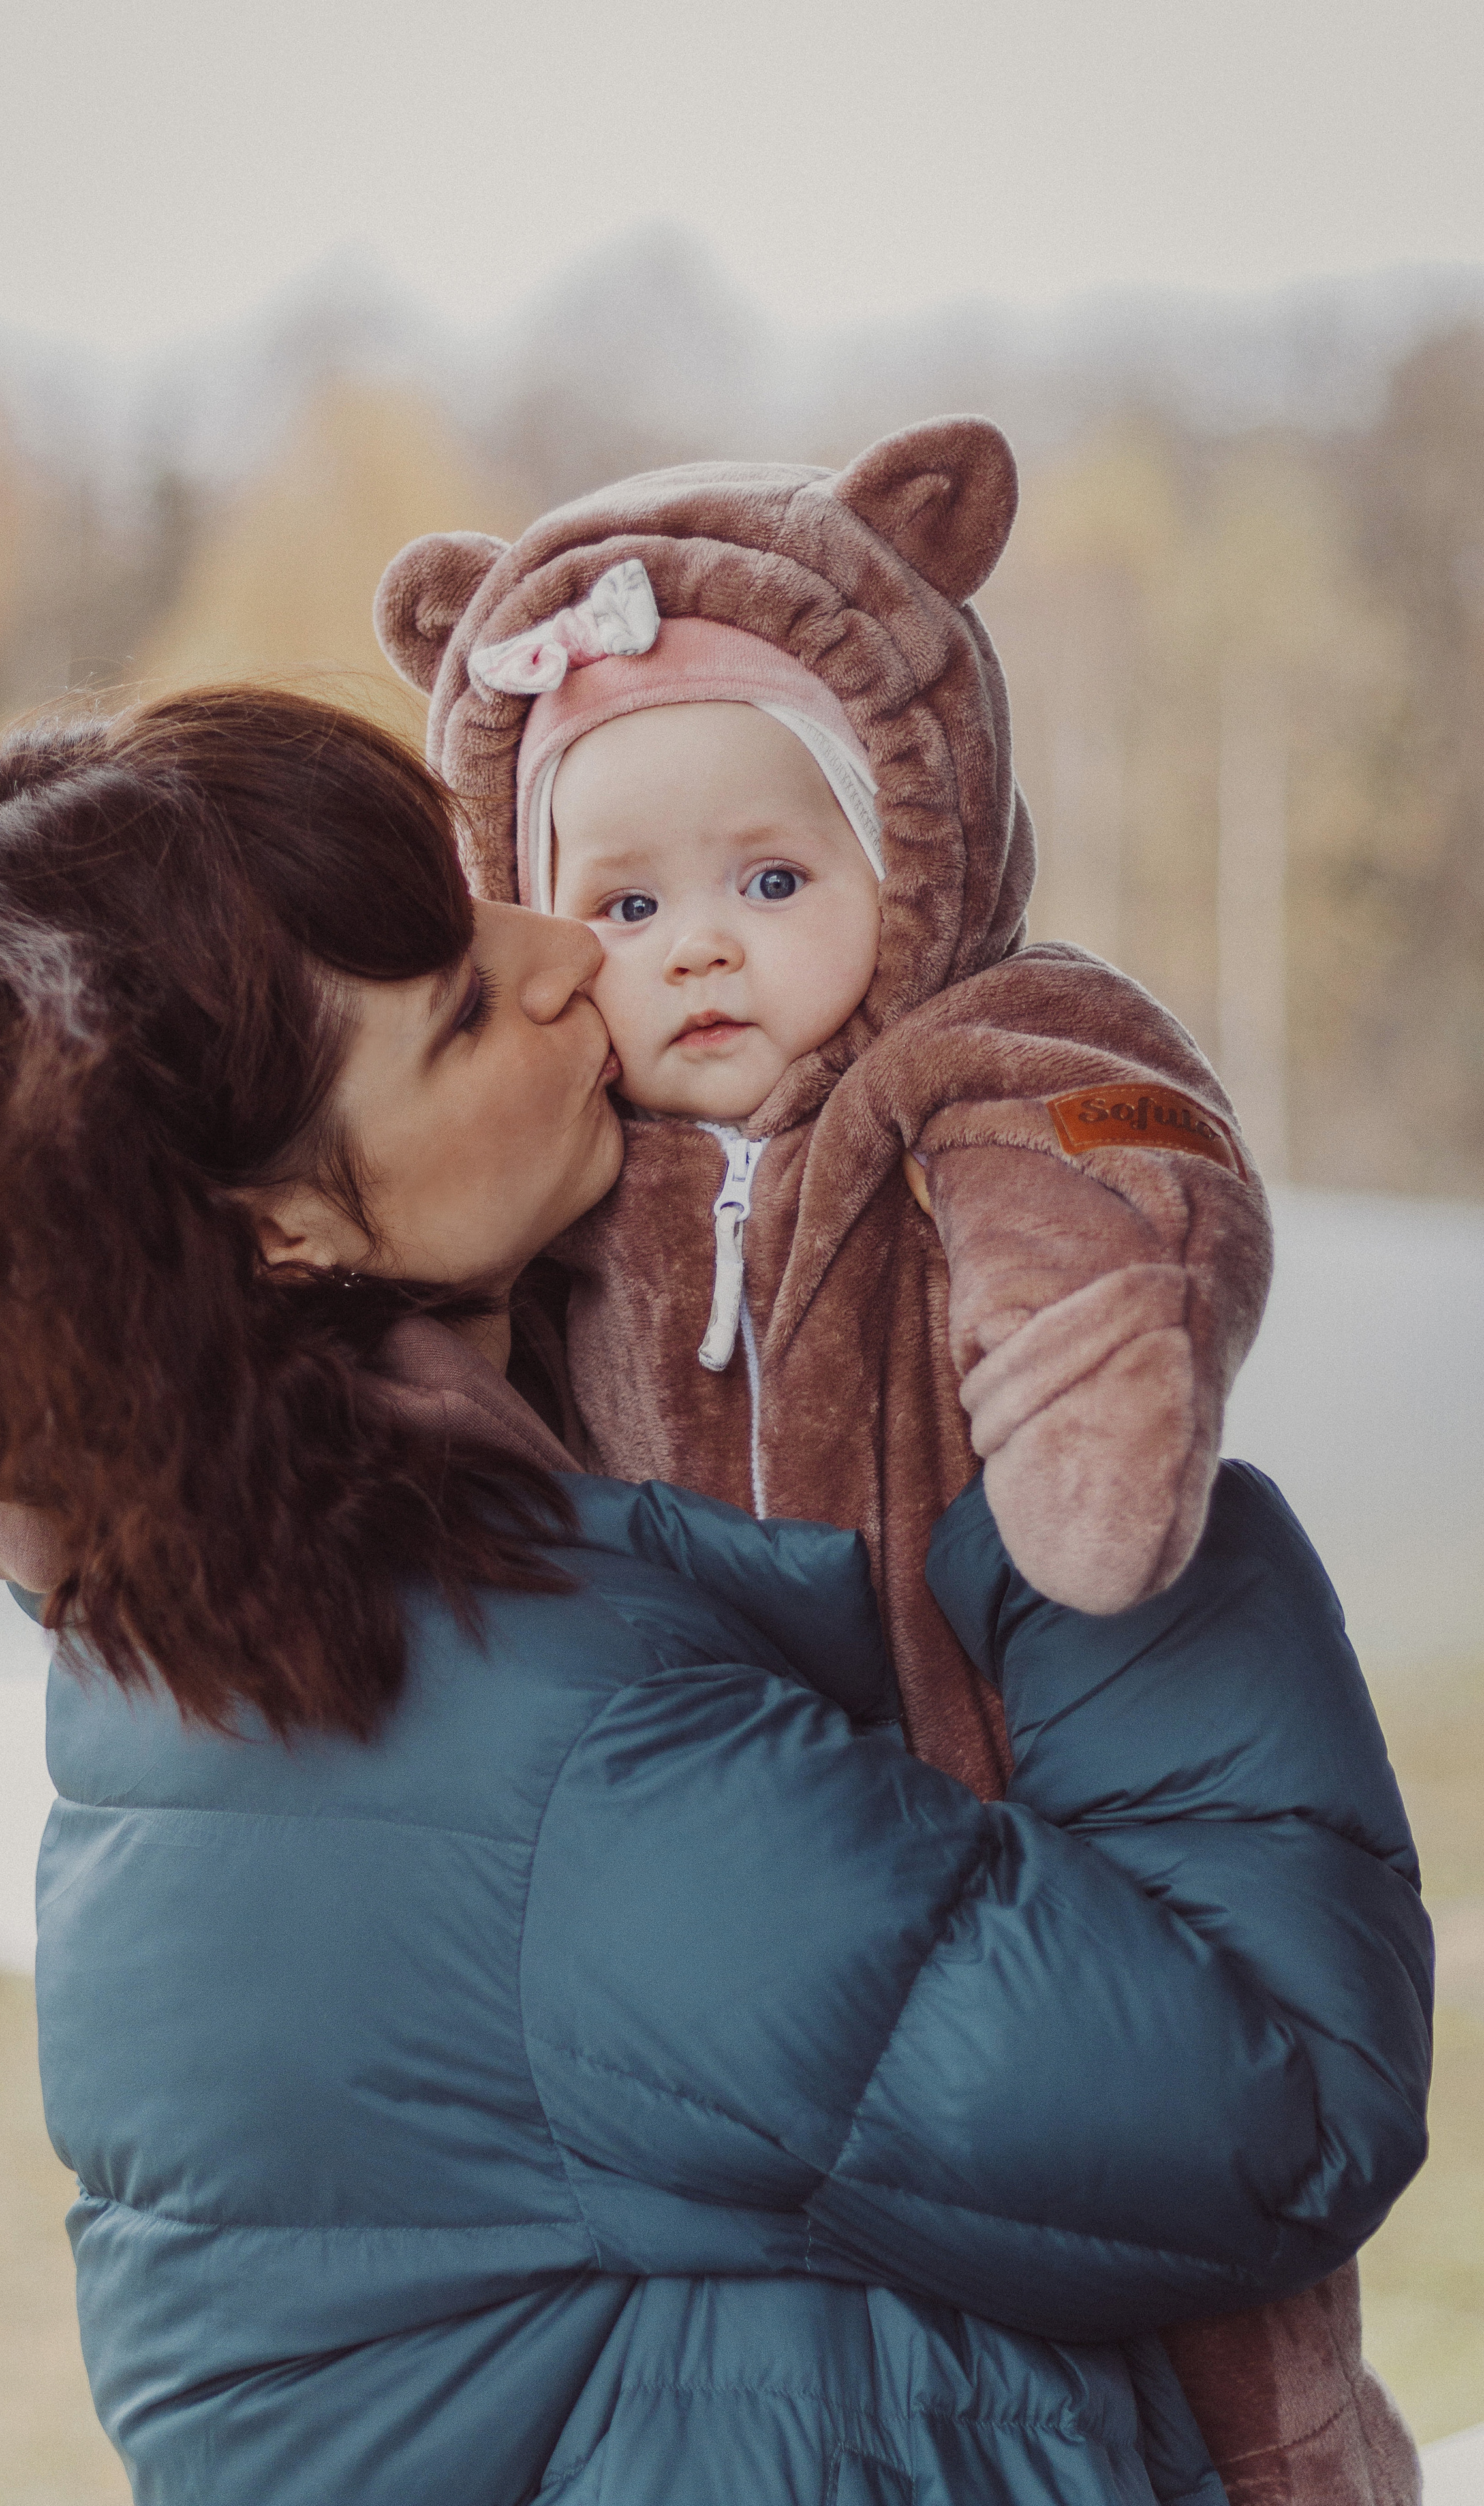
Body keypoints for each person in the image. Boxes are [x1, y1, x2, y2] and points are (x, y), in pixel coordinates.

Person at [0, 687, 1429, 2506]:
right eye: (466, 1008)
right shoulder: (536, 1745)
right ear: (276, 1230)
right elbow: (1265, 2116)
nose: (572, 950)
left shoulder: (222, 1619)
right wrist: (1092, 1484)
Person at [372, 420, 1415, 2501]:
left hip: (1021, 1800)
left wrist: (1084, 1376)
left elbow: (1119, 1179)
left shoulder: (983, 1059)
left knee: (1227, 2350)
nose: (703, 947)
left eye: (775, 880)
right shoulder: (554, 1190)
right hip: (721, 1905)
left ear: (908, 857)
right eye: (631, 900)